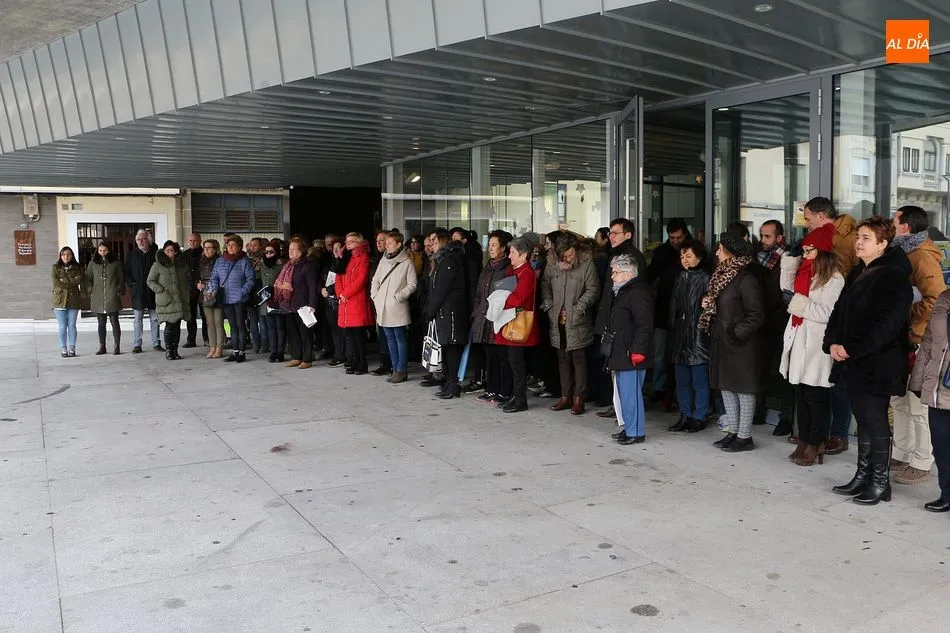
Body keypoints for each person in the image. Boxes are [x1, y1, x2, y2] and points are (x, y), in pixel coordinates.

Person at [826, 216, 914, 505]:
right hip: (854, 360)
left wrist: (851, 348)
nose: (859, 242)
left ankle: (879, 482)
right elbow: (839, 311)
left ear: (882, 244)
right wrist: (832, 342)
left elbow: (887, 326)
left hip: (878, 363)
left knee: (875, 421)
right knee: (862, 419)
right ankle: (863, 475)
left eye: (866, 238)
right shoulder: (858, 271)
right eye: (858, 237)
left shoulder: (894, 276)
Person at [779, 225, 845, 466]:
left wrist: (797, 303)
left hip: (817, 342)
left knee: (816, 396)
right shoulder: (805, 271)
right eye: (804, 250)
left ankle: (816, 442)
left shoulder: (834, 278)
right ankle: (804, 439)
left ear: (823, 251)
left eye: (809, 250)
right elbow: (786, 287)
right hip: (799, 338)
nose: (805, 254)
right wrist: (790, 259)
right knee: (802, 393)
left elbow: (827, 313)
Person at [891, 205, 946, 485]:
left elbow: (935, 300)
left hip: (919, 341)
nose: (891, 224)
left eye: (894, 220)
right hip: (905, 339)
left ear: (905, 227)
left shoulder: (922, 256)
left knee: (917, 405)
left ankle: (922, 461)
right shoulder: (903, 252)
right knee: (899, 400)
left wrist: (904, 316)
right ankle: (901, 453)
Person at [803, 197, 858, 455]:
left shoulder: (846, 237)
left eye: (808, 218)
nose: (806, 223)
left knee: (837, 380)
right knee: (822, 379)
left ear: (821, 215)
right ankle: (818, 433)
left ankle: (839, 434)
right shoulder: (825, 237)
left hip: (843, 312)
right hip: (827, 313)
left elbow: (850, 274)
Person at [703, 231, 765, 453]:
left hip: (740, 344)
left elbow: (756, 314)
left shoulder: (745, 279)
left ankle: (744, 436)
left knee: (743, 389)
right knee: (726, 387)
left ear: (730, 253)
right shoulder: (721, 275)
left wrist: (735, 332)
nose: (716, 253)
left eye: (720, 249)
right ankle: (733, 432)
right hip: (723, 341)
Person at [594, 218, 648, 418]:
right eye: (610, 233)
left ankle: (626, 416)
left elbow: (635, 299)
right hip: (611, 317)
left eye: (616, 233)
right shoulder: (614, 254)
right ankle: (618, 408)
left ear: (628, 234)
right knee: (613, 368)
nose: (611, 236)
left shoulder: (633, 258)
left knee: (626, 376)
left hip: (624, 325)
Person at [540, 234, 600, 415]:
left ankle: (579, 398)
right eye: (564, 256)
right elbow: (545, 285)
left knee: (579, 360)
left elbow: (593, 289)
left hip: (578, 319)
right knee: (562, 358)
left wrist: (578, 308)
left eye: (570, 254)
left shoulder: (586, 263)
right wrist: (549, 306)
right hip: (557, 318)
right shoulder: (552, 264)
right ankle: (565, 396)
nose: (567, 259)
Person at [604, 254, 653, 444]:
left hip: (631, 352)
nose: (612, 276)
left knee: (631, 394)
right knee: (624, 394)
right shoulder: (623, 291)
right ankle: (630, 427)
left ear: (628, 274)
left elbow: (644, 324)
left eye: (616, 272)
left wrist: (638, 350)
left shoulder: (638, 293)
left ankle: (636, 432)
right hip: (622, 349)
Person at [909, 288, 950, 513]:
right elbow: (928, 343)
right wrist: (918, 381)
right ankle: (947, 494)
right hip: (939, 388)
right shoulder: (944, 298)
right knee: (942, 446)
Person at [755, 220, 795, 435]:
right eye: (761, 235)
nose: (762, 240)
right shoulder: (758, 260)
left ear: (779, 238)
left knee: (782, 373)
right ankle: (758, 410)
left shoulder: (789, 260)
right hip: (761, 323)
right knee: (760, 368)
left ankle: (786, 417)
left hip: (781, 322)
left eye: (767, 236)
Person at [646, 218, 690, 406]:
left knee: (682, 354)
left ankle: (680, 392)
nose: (675, 241)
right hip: (663, 309)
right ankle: (660, 388)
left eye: (678, 237)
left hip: (685, 311)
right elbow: (649, 276)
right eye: (672, 238)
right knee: (660, 354)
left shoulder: (692, 251)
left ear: (685, 234)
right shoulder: (662, 253)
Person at [494, 235, 541, 412]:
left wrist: (500, 299)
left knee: (517, 365)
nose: (509, 256)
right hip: (510, 320)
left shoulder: (527, 273)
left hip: (518, 322)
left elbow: (518, 298)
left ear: (523, 255)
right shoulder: (515, 271)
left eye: (513, 252)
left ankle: (520, 400)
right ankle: (515, 396)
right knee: (512, 363)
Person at [669, 240, 711, 433]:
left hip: (698, 334)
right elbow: (674, 305)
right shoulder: (680, 277)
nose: (684, 260)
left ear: (699, 258)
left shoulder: (706, 278)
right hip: (681, 334)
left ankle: (699, 416)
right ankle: (685, 414)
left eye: (688, 256)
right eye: (682, 256)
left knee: (699, 380)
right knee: (682, 380)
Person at [425, 229, 470, 398]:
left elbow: (441, 290)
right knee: (445, 347)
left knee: (451, 349)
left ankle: (453, 384)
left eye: (435, 242)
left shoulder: (449, 261)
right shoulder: (442, 261)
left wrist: (430, 311)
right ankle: (449, 382)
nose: (432, 245)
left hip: (450, 312)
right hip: (444, 311)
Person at [472, 230, 514, 404]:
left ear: (503, 248)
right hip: (484, 318)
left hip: (500, 319)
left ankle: (505, 391)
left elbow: (509, 294)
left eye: (494, 245)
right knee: (490, 357)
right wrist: (476, 312)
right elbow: (478, 294)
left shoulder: (508, 269)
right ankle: (491, 389)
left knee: (503, 358)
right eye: (489, 245)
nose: (490, 248)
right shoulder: (487, 267)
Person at [371, 230, 418, 383]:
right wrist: (375, 296)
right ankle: (394, 368)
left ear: (398, 245)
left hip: (397, 306)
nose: (387, 245)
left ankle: (401, 369)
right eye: (387, 243)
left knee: (400, 338)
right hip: (382, 305)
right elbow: (375, 280)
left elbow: (412, 284)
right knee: (390, 339)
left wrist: (399, 296)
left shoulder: (406, 262)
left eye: (390, 243)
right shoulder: (383, 260)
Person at [208, 235, 256, 363]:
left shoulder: (245, 261)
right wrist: (214, 290)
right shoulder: (220, 261)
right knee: (232, 325)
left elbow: (250, 280)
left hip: (240, 299)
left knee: (240, 324)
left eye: (233, 245)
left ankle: (242, 352)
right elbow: (214, 278)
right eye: (228, 245)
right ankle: (235, 351)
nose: (230, 247)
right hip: (226, 298)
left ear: (239, 247)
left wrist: (242, 292)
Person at [274, 237, 319, 369]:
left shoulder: (308, 264)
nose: (290, 251)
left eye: (294, 249)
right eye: (290, 249)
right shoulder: (288, 265)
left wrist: (312, 304)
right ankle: (296, 357)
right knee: (293, 332)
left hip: (303, 304)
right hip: (289, 304)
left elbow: (312, 286)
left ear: (301, 250)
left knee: (305, 333)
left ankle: (307, 358)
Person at [336, 232, 375, 375]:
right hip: (345, 301)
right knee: (349, 335)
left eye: (352, 241)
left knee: (358, 335)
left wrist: (345, 294)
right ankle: (353, 361)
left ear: (359, 242)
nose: (348, 243)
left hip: (356, 300)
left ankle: (362, 363)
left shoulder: (363, 257)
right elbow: (338, 276)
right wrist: (340, 293)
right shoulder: (344, 257)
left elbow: (361, 279)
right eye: (347, 241)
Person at [147, 240, 191, 360]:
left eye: (171, 250)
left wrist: (187, 289)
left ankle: (175, 350)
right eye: (167, 250)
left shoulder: (181, 265)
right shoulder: (158, 265)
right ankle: (169, 350)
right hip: (167, 299)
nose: (169, 253)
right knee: (170, 325)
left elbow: (188, 278)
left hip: (180, 298)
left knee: (177, 326)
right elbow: (150, 281)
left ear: (176, 252)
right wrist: (160, 290)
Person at [85, 242, 124, 355]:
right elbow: (88, 278)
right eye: (100, 251)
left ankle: (117, 346)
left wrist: (118, 290)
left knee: (114, 321)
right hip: (98, 296)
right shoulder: (92, 263)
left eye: (105, 250)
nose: (102, 253)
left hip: (112, 295)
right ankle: (102, 346)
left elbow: (121, 278)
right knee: (101, 323)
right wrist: (91, 290)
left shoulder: (116, 263)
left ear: (109, 251)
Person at [126, 229, 162, 353]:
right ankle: (137, 344)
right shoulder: (131, 255)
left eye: (143, 239)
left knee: (155, 319)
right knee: (137, 320)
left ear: (149, 240)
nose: (141, 241)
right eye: (138, 239)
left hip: (153, 291)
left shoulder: (156, 254)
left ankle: (156, 343)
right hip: (138, 292)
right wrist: (132, 284)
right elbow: (126, 272)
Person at [51, 246, 83, 358]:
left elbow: (79, 279)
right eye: (63, 254)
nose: (66, 256)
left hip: (73, 299)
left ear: (72, 255)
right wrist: (71, 281)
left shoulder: (77, 267)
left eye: (68, 254)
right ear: (60, 256)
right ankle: (64, 349)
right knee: (62, 326)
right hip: (59, 300)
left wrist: (64, 280)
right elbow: (56, 282)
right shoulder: (55, 267)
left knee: (72, 325)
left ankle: (72, 348)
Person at [370, 230, 393, 376]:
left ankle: (391, 364)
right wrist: (374, 296)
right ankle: (384, 363)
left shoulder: (390, 259)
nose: (379, 243)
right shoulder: (378, 258)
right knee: (383, 334)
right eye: (377, 240)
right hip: (377, 300)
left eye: (382, 240)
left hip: (389, 302)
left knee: (390, 335)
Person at [197, 239, 226, 359]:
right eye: (205, 248)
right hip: (204, 293)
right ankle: (212, 347)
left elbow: (222, 278)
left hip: (216, 293)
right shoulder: (202, 261)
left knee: (218, 322)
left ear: (215, 249)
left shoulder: (220, 261)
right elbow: (198, 276)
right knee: (209, 322)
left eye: (209, 248)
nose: (207, 250)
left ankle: (220, 347)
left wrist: (213, 288)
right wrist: (198, 285)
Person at [259, 240, 287, 363]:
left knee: (280, 327)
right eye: (266, 252)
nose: (268, 254)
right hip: (266, 301)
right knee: (270, 328)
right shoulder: (262, 268)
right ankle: (273, 352)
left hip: (278, 301)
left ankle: (280, 352)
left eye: (271, 252)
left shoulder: (281, 268)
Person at [182, 232, 206, 348]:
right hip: (189, 289)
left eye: (195, 240)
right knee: (190, 316)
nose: (192, 243)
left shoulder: (204, 253)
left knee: (205, 315)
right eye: (190, 241)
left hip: (202, 288)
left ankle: (207, 339)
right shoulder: (184, 255)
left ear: (200, 241)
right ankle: (191, 340)